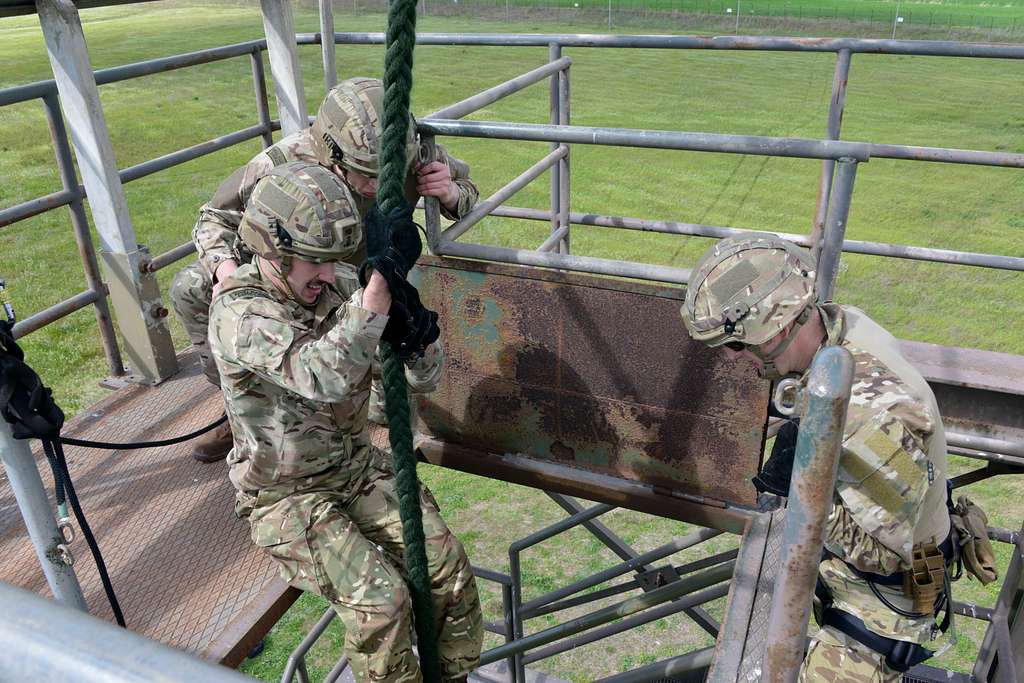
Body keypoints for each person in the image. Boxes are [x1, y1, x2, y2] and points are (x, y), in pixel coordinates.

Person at [208, 161, 482, 682]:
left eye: (334, 262)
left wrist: (417, 342)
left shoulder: (334, 292)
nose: (330, 275)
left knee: (446, 569)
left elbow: (416, 384)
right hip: (285, 496)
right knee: (380, 604)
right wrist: (376, 295)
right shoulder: (239, 314)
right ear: (273, 250)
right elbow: (322, 375)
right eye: (316, 263)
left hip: (351, 467)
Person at [680, 234, 954, 682]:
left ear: (779, 328)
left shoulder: (867, 418)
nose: (731, 359)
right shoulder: (838, 328)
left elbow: (886, 557)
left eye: (734, 345)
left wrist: (807, 502)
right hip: (855, 569)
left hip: (877, 607)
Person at [172, 76, 479, 462]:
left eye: (386, 172)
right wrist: (227, 274)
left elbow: (467, 190)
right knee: (192, 286)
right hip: (290, 278)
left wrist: (450, 193)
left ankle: (344, 405)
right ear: (331, 153)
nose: (378, 183)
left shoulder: (409, 150)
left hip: (362, 285)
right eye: (365, 174)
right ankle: (239, 404)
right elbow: (214, 217)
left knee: (385, 402)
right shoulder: (283, 162)